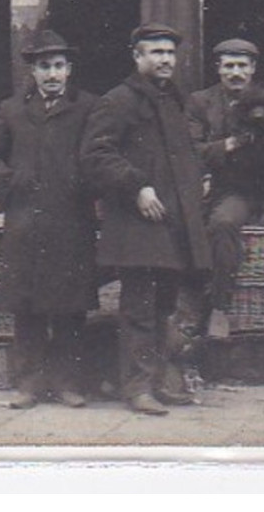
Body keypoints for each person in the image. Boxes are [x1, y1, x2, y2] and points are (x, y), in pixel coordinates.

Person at [79, 23, 211, 415]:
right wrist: (137, 186)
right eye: (156, 52)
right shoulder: (118, 101)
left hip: (171, 224)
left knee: (163, 306)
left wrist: (198, 178)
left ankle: (156, 383)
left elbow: (181, 153)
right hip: (137, 224)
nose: (165, 59)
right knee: (138, 308)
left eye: (170, 53)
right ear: (137, 57)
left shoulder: (174, 100)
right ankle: (136, 389)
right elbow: (95, 156)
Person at [0, 30, 98, 410]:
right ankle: (28, 384)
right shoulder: (11, 110)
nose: (53, 74)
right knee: (26, 308)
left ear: (69, 69)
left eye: (59, 66)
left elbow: (100, 154)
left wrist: (87, 185)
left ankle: (67, 384)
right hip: (25, 222)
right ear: (33, 72)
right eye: (45, 67)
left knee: (70, 307)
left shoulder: (88, 108)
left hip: (71, 220)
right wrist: (7, 181)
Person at [186, 37, 264, 340]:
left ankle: (221, 307)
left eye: (242, 66)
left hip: (251, 188)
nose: (235, 73)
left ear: (253, 68)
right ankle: (204, 310)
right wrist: (230, 144)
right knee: (207, 225)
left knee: (228, 222)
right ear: (218, 68)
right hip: (213, 186)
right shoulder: (199, 102)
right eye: (228, 65)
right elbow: (191, 149)